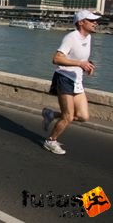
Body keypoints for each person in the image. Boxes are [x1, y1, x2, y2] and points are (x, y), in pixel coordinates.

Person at [41, 10, 101, 155]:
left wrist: (88, 65)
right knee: (68, 116)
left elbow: (80, 58)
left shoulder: (88, 38)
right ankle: (50, 141)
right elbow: (56, 59)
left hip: (77, 80)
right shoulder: (71, 37)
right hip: (64, 78)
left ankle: (51, 114)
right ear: (81, 22)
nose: (96, 23)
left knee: (83, 116)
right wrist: (80, 64)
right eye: (91, 21)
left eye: (95, 21)